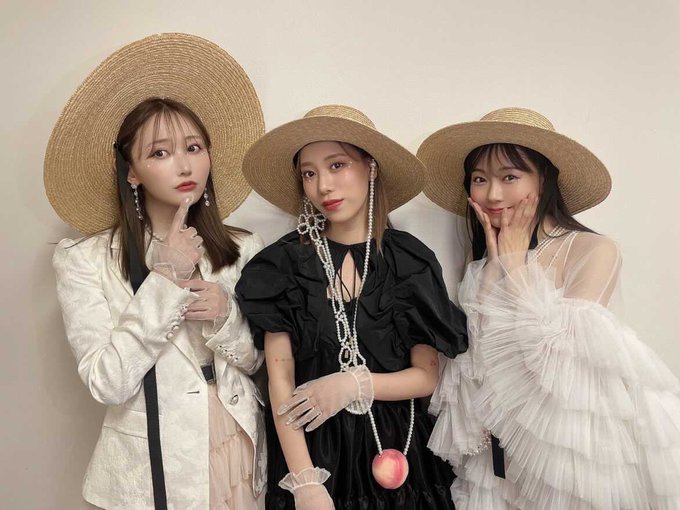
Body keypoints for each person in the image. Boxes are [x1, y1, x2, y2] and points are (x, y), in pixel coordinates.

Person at [45, 33, 267, 509]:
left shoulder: (243, 247)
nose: (184, 165)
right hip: (151, 467)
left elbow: (260, 364)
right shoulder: (85, 258)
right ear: (132, 172)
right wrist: (164, 281)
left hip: (236, 441)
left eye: (194, 147)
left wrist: (226, 316)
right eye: (160, 153)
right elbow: (107, 381)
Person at [418, 107, 680, 509]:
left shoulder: (593, 249)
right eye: (480, 179)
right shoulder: (480, 265)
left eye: (509, 177)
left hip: (569, 457)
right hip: (498, 461)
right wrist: (495, 266)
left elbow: (564, 360)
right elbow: (473, 364)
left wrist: (514, 263)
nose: (492, 195)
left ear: (544, 178)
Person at [234, 104, 468, 509]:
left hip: (399, 452)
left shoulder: (408, 261)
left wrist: (353, 385)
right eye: (309, 173)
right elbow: (280, 379)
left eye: (337, 165)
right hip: (316, 454)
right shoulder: (283, 265)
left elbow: (427, 376)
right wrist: (305, 481)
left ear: (370, 168)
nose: (323, 185)